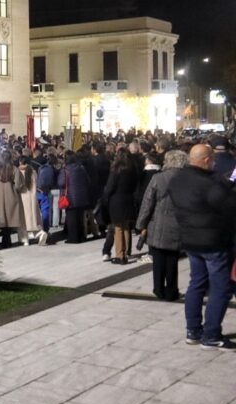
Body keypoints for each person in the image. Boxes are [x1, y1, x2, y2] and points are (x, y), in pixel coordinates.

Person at [169, 143, 236, 349]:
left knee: (196, 283)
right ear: (207, 160)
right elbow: (229, 208)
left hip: (190, 241)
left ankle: (193, 330)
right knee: (220, 288)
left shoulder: (177, 179)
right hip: (213, 242)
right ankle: (211, 334)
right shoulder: (210, 184)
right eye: (212, 160)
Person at [136, 150, 187, 301]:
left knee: (158, 259)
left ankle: (158, 289)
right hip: (178, 224)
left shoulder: (158, 178)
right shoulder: (187, 179)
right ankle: (172, 291)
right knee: (172, 260)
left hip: (158, 223)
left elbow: (147, 203)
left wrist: (141, 224)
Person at [100, 151, 140, 263]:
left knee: (118, 228)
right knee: (126, 227)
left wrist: (105, 198)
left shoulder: (116, 169)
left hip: (116, 201)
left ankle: (120, 255)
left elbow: (110, 187)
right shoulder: (132, 170)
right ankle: (127, 251)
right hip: (128, 199)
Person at [0, 153, 26, 248]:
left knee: (2, 219)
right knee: (9, 218)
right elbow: (18, 185)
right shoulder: (14, 169)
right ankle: (7, 240)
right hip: (11, 195)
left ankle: (5, 240)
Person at [58, 152, 93, 244]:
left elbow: (61, 183)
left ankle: (73, 238)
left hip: (69, 196)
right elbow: (88, 181)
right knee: (80, 218)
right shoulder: (81, 168)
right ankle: (81, 236)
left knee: (71, 218)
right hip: (81, 196)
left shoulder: (65, 170)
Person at [17, 157, 46, 245]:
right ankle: (39, 233)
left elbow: (17, 185)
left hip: (22, 198)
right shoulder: (33, 172)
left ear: (21, 162)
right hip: (33, 198)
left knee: (23, 219)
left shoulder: (18, 172)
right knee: (34, 218)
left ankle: (25, 240)